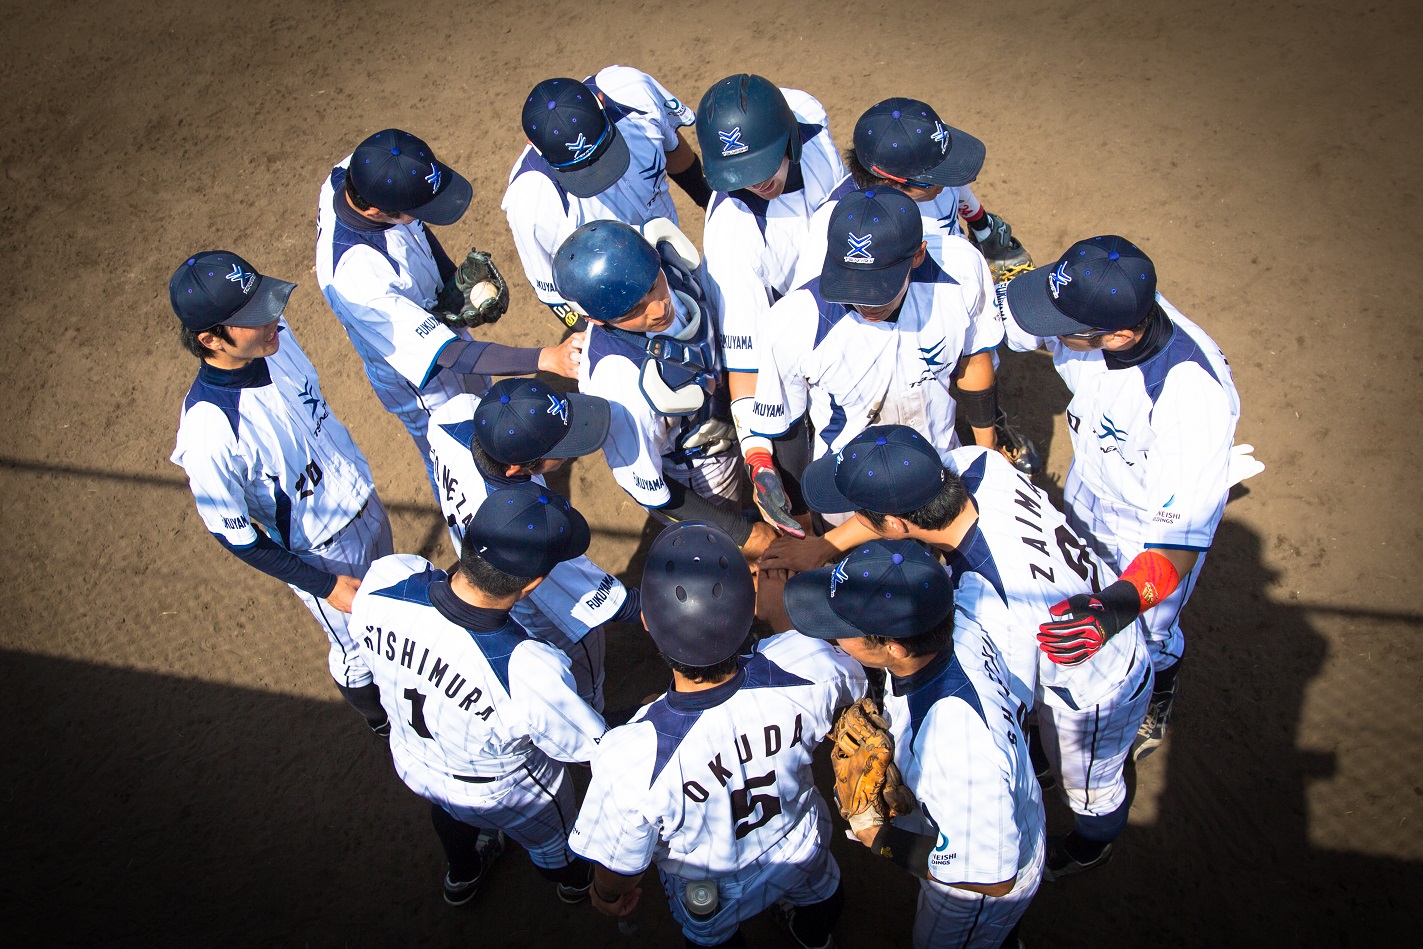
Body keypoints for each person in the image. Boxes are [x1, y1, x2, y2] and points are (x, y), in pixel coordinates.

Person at [791, 425, 1155, 879]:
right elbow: (892, 515)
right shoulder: (973, 464)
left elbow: (1005, 706)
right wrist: (825, 545)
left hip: (1097, 684)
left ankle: (1092, 844)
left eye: (866, 515)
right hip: (1076, 616)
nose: (860, 521)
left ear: (897, 524)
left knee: (1090, 791)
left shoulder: (990, 606)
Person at [1003, 235, 1248, 759]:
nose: (1048, 330)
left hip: (1150, 520)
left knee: (1149, 633)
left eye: (1063, 327)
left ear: (1117, 336)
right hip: (1093, 482)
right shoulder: (1101, 296)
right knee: (1070, 583)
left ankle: (1156, 693)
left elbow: (1175, 548)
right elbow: (1009, 319)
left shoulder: (1190, 398)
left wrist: (1118, 606)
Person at [570, 523, 867, 949]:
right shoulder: (811, 666)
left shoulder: (631, 755)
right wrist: (782, 618)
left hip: (711, 890)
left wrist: (605, 893)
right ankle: (813, 937)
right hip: (799, 844)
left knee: (712, 937)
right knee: (821, 896)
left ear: (646, 623)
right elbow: (843, 681)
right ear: (750, 612)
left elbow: (620, 865)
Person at [349, 482, 606, 907]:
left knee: (449, 810)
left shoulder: (387, 580)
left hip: (415, 759)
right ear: (533, 583)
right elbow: (584, 747)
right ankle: (576, 884)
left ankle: (463, 873)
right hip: (503, 790)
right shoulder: (528, 668)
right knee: (553, 842)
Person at [168, 250, 393, 734]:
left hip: (366, 501)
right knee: (359, 650)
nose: (271, 317)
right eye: (252, 317)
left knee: (395, 616)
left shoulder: (277, 340)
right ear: (210, 339)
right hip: (321, 555)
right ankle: (381, 723)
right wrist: (325, 586)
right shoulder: (209, 431)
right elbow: (236, 536)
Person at [782, 538, 1045, 948]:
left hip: (977, 885)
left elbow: (992, 876)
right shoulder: (949, 616)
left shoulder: (954, 743)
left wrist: (879, 839)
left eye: (842, 631)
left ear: (894, 647)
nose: (834, 639)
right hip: (990, 808)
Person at [315, 127, 583, 502]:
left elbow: (419, 230)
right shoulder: (356, 277)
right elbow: (449, 354)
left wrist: (449, 284)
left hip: (432, 324)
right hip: (418, 377)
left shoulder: (357, 171)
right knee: (454, 455)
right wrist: (546, 358)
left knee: (492, 421)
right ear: (376, 210)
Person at [794, 98, 1040, 473]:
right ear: (893, 179)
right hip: (888, 344)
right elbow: (819, 323)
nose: (946, 181)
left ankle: (993, 425)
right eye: (935, 175)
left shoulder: (933, 184)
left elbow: (959, 196)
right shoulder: (840, 227)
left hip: (950, 304)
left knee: (979, 353)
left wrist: (985, 229)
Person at [749, 186, 1004, 528]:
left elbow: (973, 359)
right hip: (849, 494)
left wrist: (987, 453)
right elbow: (788, 429)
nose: (866, 302)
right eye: (851, 283)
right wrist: (804, 524)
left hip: (941, 469)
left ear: (918, 255)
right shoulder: (794, 322)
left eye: (879, 285)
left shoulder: (962, 267)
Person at [551, 219, 778, 562]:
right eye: (632, 309)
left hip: (733, 413)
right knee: (729, 554)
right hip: (701, 470)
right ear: (596, 319)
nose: (658, 307)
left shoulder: (656, 263)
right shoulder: (617, 386)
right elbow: (651, 489)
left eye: (653, 285)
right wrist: (741, 533)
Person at [427, 376, 640, 710]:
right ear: (515, 469)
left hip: (480, 565)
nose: (571, 451)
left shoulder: (448, 419)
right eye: (559, 448)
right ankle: (592, 732)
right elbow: (608, 601)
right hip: (543, 610)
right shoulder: (532, 530)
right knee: (580, 680)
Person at [693, 74, 847, 530]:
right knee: (792, 440)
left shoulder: (808, 115)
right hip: (790, 325)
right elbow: (747, 361)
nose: (757, 182)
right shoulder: (732, 232)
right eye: (741, 172)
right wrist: (757, 456)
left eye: (763, 164)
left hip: (852, 286)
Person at [502, 66, 710, 331]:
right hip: (628, 307)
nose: (601, 172)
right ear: (532, 143)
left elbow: (674, 150)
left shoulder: (633, 93)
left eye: (603, 151)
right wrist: (615, 338)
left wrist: (711, 205)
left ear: (600, 101)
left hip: (676, 252)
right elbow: (556, 297)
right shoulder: (530, 203)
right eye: (582, 169)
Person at [841, 97, 1032, 282]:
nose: (945, 184)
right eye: (933, 179)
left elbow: (957, 185)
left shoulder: (926, 144)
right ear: (890, 182)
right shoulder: (866, 230)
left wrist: (981, 224)